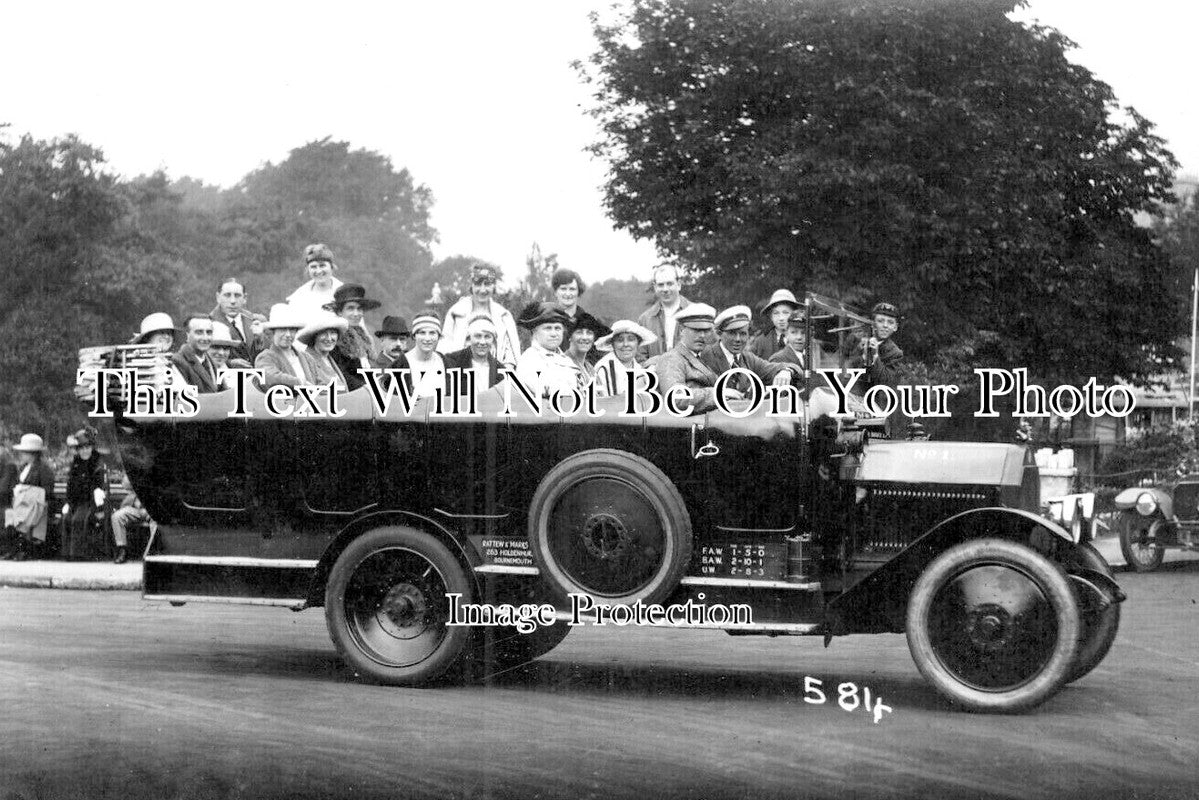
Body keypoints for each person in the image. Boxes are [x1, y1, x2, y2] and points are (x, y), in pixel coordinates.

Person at [701, 305, 798, 394]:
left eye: (743, 334)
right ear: (719, 333)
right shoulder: (705, 356)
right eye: (732, 333)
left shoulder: (748, 359)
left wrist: (786, 371)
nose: (738, 339)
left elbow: (784, 367)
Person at [439, 264, 521, 368]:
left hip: (495, 376)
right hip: (462, 374)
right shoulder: (456, 313)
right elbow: (445, 345)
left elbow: (510, 351)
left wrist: (505, 371)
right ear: (471, 285)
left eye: (487, 284)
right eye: (478, 284)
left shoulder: (503, 315)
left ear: (493, 286)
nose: (482, 290)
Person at [654, 304, 723, 414]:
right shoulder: (672, 359)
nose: (702, 336)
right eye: (696, 330)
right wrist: (717, 393)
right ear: (681, 330)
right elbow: (676, 398)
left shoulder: (702, 357)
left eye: (706, 330)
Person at [2, 434, 56, 561]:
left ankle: (25, 550)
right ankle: (14, 549)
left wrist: (27, 492)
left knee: (23, 515)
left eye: (24, 452)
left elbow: (47, 491)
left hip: (38, 505)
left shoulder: (43, 469)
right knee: (11, 513)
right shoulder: (23, 468)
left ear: (33, 453)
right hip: (23, 504)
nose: (21, 455)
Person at [514, 302, 582, 400]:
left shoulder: (567, 360)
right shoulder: (529, 359)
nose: (554, 334)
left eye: (557, 328)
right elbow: (541, 390)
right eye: (548, 328)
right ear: (534, 331)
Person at [60, 428, 109, 561]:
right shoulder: (76, 462)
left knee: (79, 519)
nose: (84, 450)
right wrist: (67, 502)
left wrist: (98, 500)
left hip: (91, 502)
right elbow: (70, 484)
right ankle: (68, 554)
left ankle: (80, 554)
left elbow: (101, 486)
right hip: (76, 501)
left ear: (92, 447)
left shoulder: (98, 462)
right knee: (66, 518)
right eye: (81, 448)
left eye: (87, 447)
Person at [325, 284, 380, 390]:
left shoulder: (364, 338)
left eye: (359, 309)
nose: (356, 313)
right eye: (350, 308)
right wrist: (366, 388)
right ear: (340, 312)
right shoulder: (334, 338)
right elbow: (340, 373)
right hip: (350, 395)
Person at [551, 268, 606, 364]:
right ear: (556, 292)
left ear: (578, 291)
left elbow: (595, 358)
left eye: (572, 289)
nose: (568, 294)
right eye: (563, 289)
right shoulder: (546, 320)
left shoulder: (589, 323)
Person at [845, 302, 904, 390]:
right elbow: (849, 370)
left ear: (895, 327)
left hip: (878, 399)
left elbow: (886, 382)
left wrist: (875, 357)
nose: (885, 326)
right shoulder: (861, 343)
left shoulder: (895, 353)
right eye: (880, 321)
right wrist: (862, 354)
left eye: (890, 322)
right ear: (873, 323)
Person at [254, 304, 317, 388]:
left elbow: (319, 383)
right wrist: (300, 383)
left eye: (292, 330)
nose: (288, 334)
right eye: (283, 329)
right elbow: (271, 377)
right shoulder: (265, 357)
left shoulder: (307, 358)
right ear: (273, 331)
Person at [637, 264, 691, 360]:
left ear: (678, 284)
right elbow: (640, 357)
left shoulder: (696, 313)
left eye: (669, 284)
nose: (665, 289)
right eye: (661, 285)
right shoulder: (644, 320)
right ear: (655, 287)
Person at [442, 313, 503, 397]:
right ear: (469, 338)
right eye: (478, 336)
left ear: (493, 339)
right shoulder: (452, 362)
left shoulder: (500, 370)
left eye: (487, 337)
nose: (482, 342)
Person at [593, 320, 657, 399]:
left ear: (638, 343)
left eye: (631, 339)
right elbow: (610, 404)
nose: (625, 344)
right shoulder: (605, 368)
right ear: (612, 344)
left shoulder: (638, 368)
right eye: (620, 340)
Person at [209, 278, 267, 363]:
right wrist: (229, 363)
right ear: (218, 297)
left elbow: (269, 356)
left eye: (237, 295)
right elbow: (201, 357)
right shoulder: (208, 323)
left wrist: (260, 340)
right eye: (227, 295)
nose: (233, 301)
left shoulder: (257, 321)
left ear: (245, 298)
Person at [394, 313, 448, 399]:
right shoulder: (399, 365)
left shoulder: (447, 363)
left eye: (432, 333)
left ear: (438, 336)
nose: (427, 338)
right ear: (414, 336)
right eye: (422, 333)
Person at [286, 243, 344, 318]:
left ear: (331, 267)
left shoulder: (345, 293)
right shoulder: (299, 297)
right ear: (308, 270)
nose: (318, 271)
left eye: (322, 265)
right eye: (313, 267)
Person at [297, 312, 350, 390]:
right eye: (323, 333)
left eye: (333, 333)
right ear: (314, 336)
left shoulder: (331, 359)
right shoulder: (305, 359)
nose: (329, 338)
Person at [170, 315, 220, 393]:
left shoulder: (210, 362)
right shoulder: (178, 361)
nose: (205, 338)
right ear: (187, 335)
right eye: (199, 332)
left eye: (209, 332)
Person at [748, 289, 801, 359]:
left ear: (794, 314)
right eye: (776, 313)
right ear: (771, 317)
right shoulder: (760, 342)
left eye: (785, 313)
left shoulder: (803, 339)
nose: (781, 318)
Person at [110, 476, 150, 564]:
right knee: (117, 516)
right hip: (137, 508)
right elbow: (127, 484)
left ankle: (151, 554)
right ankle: (122, 550)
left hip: (152, 508)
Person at [563, 315, 608, 385]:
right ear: (570, 337)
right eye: (579, 332)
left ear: (594, 339)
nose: (584, 337)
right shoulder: (563, 364)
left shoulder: (590, 368)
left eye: (589, 333)